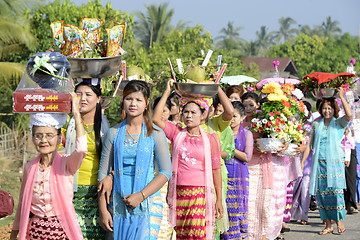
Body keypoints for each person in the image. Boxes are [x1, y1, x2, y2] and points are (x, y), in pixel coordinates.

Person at [98, 80, 172, 240]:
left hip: (148, 202)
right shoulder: (113, 133)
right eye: (128, 98)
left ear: (146, 104)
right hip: (118, 202)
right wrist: (103, 210)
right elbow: (102, 173)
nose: (133, 104)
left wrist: (141, 195)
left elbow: (166, 172)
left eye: (138, 100)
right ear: (123, 101)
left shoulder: (156, 134)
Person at [153, 79, 223, 240]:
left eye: (193, 112)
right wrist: (167, 91)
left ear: (203, 114)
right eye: (186, 112)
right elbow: (156, 119)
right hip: (179, 192)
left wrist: (219, 200)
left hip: (200, 193)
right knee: (182, 234)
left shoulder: (210, 139)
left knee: (197, 234)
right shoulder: (177, 132)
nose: (189, 116)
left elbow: (216, 170)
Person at [10, 92, 87, 240]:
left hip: (61, 232)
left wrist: (76, 114)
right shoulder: (29, 168)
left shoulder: (66, 165)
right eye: (38, 135)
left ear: (59, 138)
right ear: (33, 138)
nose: (43, 140)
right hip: (35, 232)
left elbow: (82, 149)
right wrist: (14, 234)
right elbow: (23, 203)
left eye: (49, 135)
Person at [301, 87, 352, 235]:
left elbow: (349, 115)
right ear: (320, 109)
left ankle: (339, 222)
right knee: (322, 195)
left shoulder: (339, 123)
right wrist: (302, 161)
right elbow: (309, 145)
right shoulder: (316, 124)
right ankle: (328, 225)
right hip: (320, 164)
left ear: (334, 109)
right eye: (324, 108)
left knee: (336, 193)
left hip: (335, 164)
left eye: (329, 108)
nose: (327, 111)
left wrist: (341, 97)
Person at [64, 79, 109, 238]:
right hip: (70, 193)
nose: (82, 98)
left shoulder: (106, 129)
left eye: (88, 94)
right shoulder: (65, 125)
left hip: (96, 193)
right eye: (78, 94)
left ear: (99, 99)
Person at [222, 101, 253, 239]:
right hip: (223, 175)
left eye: (235, 116)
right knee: (224, 210)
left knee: (236, 210)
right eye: (230, 116)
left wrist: (230, 150)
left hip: (239, 178)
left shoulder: (247, 134)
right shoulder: (222, 132)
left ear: (242, 117)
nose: (232, 119)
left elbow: (247, 157)